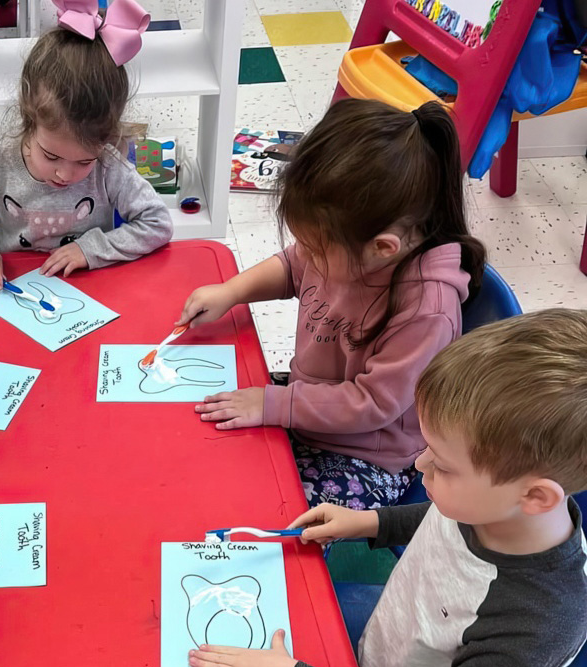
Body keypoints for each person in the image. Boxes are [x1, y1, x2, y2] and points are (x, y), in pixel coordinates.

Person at [188, 309, 587, 667]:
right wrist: (367, 523)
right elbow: (441, 521)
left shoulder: (530, 632)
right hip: (388, 638)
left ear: (535, 497)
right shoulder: (494, 509)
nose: (419, 464)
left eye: (443, 466)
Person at [179, 99, 486, 508]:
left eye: (317, 250)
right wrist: (231, 292)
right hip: (309, 405)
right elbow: (293, 266)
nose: (308, 257)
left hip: (367, 456)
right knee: (200, 439)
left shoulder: (426, 308)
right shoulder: (349, 247)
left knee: (267, 512)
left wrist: (274, 404)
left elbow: (372, 404)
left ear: (383, 248)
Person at [0, 0, 172, 288]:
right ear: (29, 120)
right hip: (12, 289)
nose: (65, 174)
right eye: (51, 156)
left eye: (85, 161)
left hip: (91, 291)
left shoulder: (109, 166)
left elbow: (157, 222)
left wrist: (91, 249)